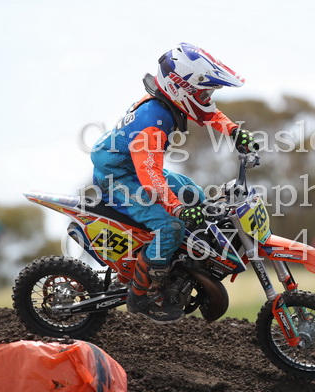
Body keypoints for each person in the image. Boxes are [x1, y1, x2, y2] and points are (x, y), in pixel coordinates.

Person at [91, 43, 257, 322]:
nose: (207, 98)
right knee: (171, 228)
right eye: (204, 93)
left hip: (132, 170)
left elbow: (206, 113)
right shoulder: (152, 120)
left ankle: (184, 262)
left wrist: (233, 131)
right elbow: (150, 175)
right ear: (181, 88)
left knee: (194, 193)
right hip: (117, 178)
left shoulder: (168, 102)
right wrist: (177, 209)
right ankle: (140, 293)